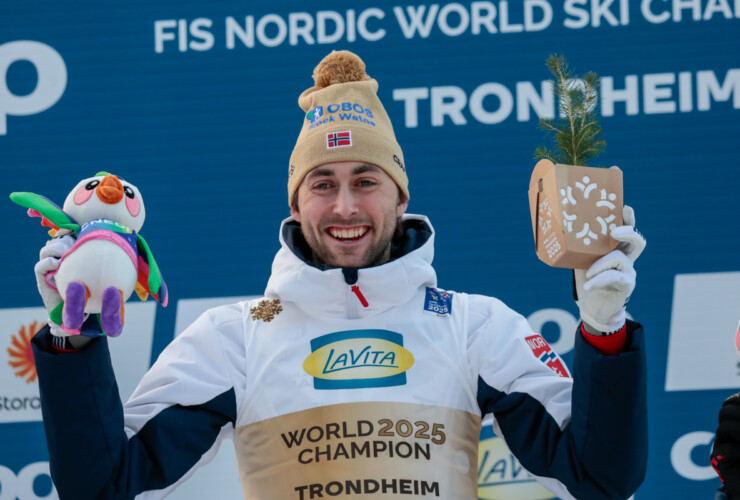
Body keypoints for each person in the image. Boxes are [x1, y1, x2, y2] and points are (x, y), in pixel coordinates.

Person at [31, 50, 647, 500]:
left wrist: (605, 334)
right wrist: (74, 339)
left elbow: (600, 475)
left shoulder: (473, 325)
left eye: (366, 182)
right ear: (296, 206)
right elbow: (103, 483)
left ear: (401, 197)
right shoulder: (235, 336)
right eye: (323, 185)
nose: (346, 207)